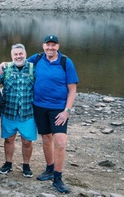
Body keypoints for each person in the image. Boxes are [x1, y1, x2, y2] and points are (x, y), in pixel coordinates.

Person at [30, 35, 78, 193]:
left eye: (53, 45)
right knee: (46, 137)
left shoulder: (66, 62)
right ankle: (50, 169)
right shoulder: (36, 59)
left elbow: (72, 89)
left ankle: (58, 178)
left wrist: (67, 111)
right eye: (47, 45)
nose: (50, 48)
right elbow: (18, 61)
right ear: (43, 46)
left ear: (58, 46)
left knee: (61, 141)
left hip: (59, 109)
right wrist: (4, 64)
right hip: (39, 106)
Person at [0, 44, 37, 178]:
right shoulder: (5, 69)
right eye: (15, 54)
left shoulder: (33, 69)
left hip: (27, 112)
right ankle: (8, 164)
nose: (18, 56)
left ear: (25, 54)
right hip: (9, 112)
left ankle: (26, 165)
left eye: (20, 54)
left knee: (27, 141)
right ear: (12, 56)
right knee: (9, 139)